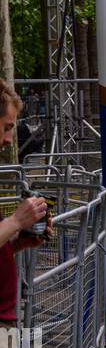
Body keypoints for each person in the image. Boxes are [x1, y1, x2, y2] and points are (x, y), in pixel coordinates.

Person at [0, 80, 50, 329]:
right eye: (7, 127)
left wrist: (18, 242)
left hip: (7, 317)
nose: (10, 139)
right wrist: (16, 221)